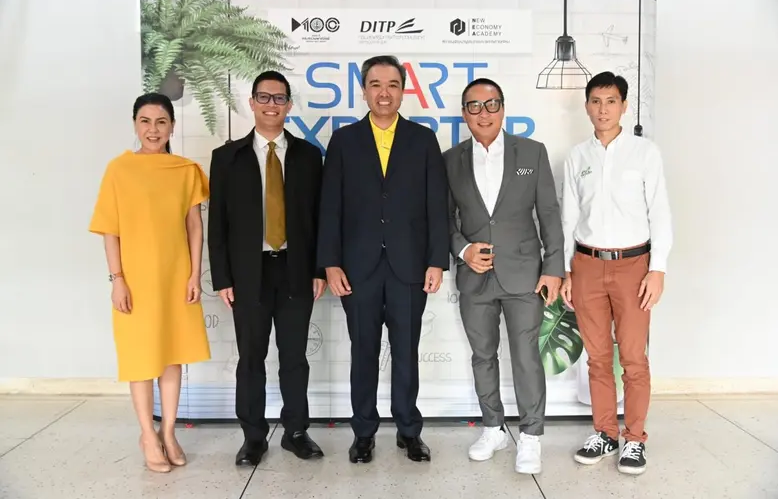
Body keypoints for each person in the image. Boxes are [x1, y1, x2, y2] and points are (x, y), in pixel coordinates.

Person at [317, 55, 449, 464]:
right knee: (364, 353)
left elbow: (437, 205)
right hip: (358, 269)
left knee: (406, 352)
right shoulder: (344, 140)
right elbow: (330, 207)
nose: (384, 93)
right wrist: (331, 263)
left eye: (392, 84)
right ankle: (363, 433)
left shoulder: (423, 139)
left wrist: (436, 260)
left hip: (410, 267)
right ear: (364, 91)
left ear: (403, 90)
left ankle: (409, 431)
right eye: (375, 84)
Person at [444, 78, 564, 474]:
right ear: (465, 114)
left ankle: (530, 436)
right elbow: (443, 218)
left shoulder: (531, 152)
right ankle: (493, 428)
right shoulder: (450, 160)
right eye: (474, 106)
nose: (484, 113)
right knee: (483, 356)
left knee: (526, 356)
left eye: (491, 104)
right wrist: (463, 250)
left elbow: (549, 213)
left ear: (503, 107)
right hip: (474, 276)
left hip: (524, 274)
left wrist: (554, 268)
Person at [207, 70, 326, 466]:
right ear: (252, 103)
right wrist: (223, 278)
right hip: (248, 274)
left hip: (295, 269)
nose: (271, 105)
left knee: (294, 357)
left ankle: (296, 432)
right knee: (251, 359)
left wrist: (319, 269)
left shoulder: (308, 156)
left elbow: (319, 219)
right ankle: (253, 437)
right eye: (264, 97)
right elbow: (217, 225)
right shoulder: (227, 158)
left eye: (279, 98)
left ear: (289, 105)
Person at [88, 93, 211, 473]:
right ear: (135, 124)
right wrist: (117, 280)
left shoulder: (185, 170)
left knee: (172, 356)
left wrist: (194, 274)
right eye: (145, 121)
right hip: (135, 281)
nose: (153, 130)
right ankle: (147, 434)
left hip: (176, 277)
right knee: (141, 359)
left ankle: (168, 431)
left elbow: (194, 226)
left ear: (172, 126)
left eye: (161, 122)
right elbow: (110, 230)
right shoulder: (119, 170)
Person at [561, 71, 672, 476]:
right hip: (587, 266)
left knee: (634, 358)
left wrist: (657, 269)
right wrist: (566, 270)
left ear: (624, 106)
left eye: (611, 101)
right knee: (597, 358)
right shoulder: (577, 157)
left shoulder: (645, 153)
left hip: (633, 266)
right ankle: (605, 433)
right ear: (587, 106)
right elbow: (569, 217)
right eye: (596, 101)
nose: (603, 109)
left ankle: (635, 439)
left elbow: (660, 213)